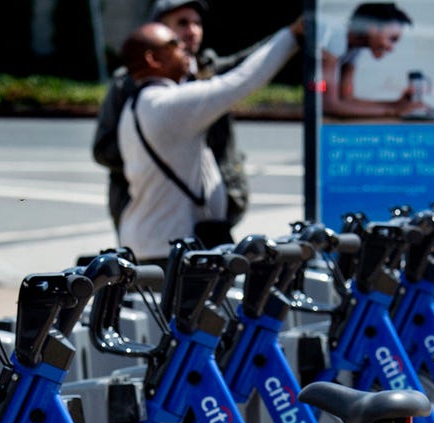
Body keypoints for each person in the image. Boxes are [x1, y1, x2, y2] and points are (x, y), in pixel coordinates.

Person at [115, 16, 304, 261]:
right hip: (171, 250)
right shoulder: (167, 105)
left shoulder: (137, 105)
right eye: (174, 45)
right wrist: (291, 37)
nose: (184, 46)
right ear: (153, 59)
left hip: (156, 244)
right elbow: (240, 81)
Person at [92, 0, 260, 232]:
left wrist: (294, 36)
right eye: (182, 23)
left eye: (197, 23)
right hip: (153, 219)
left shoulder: (209, 74)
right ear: (157, 30)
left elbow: (251, 67)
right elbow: (104, 148)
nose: (192, 31)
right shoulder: (128, 83)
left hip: (210, 218)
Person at [320, 3, 422, 119]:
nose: (391, 48)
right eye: (392, 39)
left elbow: (347, 99)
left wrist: (396, 105)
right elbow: (328, 105)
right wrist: (392, 110)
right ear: (372, 28)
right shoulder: (336, 36)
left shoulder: (353, 49)